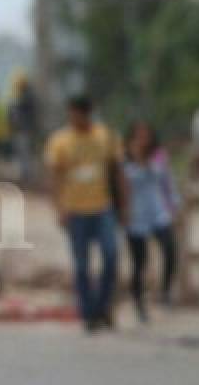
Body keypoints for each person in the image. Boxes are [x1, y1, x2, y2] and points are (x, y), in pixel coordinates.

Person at [44, 95, 126, 331]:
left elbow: (117, 172)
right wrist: (59, 208)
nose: (75, 119)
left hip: (103, 207)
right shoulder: (60, 141)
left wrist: (124, 205)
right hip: (75, 210)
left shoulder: (106, 137)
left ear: (88, 113)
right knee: (81, 265)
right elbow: (54, 178)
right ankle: (89, 314)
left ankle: (103, 306)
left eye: (78, 114)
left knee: (111, 256)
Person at [122, 120, 180, 321]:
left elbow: (167, 182)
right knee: (140, 262)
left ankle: (165, 291)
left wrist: (174, 206)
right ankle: (139, 302)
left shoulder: (158, 156)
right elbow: (122, 187)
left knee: (170, 249)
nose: (142, 139)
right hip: (135, 216)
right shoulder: (124, 159)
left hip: (157, 212)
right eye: (139, 135)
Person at [9, 70, 39, 184]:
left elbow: (25, 111)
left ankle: (28, 177)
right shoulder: (20, 95)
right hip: (20, 130)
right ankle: (24, 176)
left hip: (25, 130)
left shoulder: (28, 95)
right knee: (22, 154)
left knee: (26, 154)